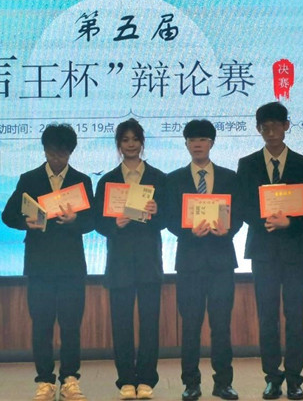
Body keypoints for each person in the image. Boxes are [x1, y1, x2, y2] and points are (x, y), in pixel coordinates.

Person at [2, 123, 94, 401]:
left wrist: (76, 220)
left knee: (70, 325)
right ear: (44, 150)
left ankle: (70, 379)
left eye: (62, 154)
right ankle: (44, 381)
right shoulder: (29, 179)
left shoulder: (81, 181)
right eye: (52, 153)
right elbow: (8, 216)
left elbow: (93, 221)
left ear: (71, 152)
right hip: (39, 265)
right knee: (41, 325)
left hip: (71, 265)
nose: (56, 159)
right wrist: (26, 222)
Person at [236, 102, 303, 401]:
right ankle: (272, 377)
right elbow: (244, 206)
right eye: (265, 127)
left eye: (276, 126)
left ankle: (295, 379)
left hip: (294, 250)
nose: (270, 132)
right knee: (267, 316)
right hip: (263, 250)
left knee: (295, 316)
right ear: (259, 129)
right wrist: (269, 222)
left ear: (286, 126)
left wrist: (289, 222)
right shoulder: (247, 163)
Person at [165, 119, 242, 401]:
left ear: (212, 143)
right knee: (190, 326)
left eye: (203, 139)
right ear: (186, 144)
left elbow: (239, 214)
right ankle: (191, 383)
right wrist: (188, 230)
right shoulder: (173, 179)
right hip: (189, 262)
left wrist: (228, 229)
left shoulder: (230, 177)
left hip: (221, 262)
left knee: (221, 326)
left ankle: (223, 383)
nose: (197, 144)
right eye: (192, 140)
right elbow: (169, 218)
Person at [94, 118, 167, 400]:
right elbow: (98, 222)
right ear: (118, 145)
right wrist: (115, 224)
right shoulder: (107, 180)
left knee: (150, 324)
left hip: (149, 261)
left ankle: (147, 379)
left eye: (135, 139)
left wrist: (157, 211)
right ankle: (125, 379)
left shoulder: (159, 178)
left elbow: (169, 219)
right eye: (125, 140)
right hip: (120, 263)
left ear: (142, 142)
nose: (131, 144)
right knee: (121, 324)